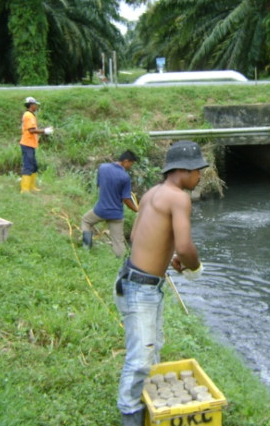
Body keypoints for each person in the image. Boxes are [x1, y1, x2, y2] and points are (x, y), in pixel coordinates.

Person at [114, 140, 208, 426]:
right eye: (198, 171)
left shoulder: (153, 192)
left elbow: (140, 238)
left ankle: (148, 406)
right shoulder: (179, 197)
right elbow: (186, 246)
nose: (200, 176)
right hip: (140, 288)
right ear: (184, 170)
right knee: (141, 358)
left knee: (152, 350)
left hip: (136, 279)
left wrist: (164, 261)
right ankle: (129, 414)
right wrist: (194, 266)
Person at [81, 150, 139, 257]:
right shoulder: (125, 177)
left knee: (86, 221)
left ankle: (86, 249)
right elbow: (126, 199)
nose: (130, 166)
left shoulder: (103, 168)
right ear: (126, 161)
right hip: (116, 215)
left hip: (100, 210)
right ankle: (120, 264)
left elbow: (99, 186)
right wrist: (137, 210)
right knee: (118, 242)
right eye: (131, 163)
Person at [19, 96, 52, 193]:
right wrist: (44, 131)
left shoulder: (31, 115)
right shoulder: (28, 115)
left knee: (34, 166)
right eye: (35, 105)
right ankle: (24, 189)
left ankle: (32, 186)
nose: (36, 106)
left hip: (31, 144)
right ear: (31, 105)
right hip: (27, 144)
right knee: (28, 165)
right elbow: (32, 130)